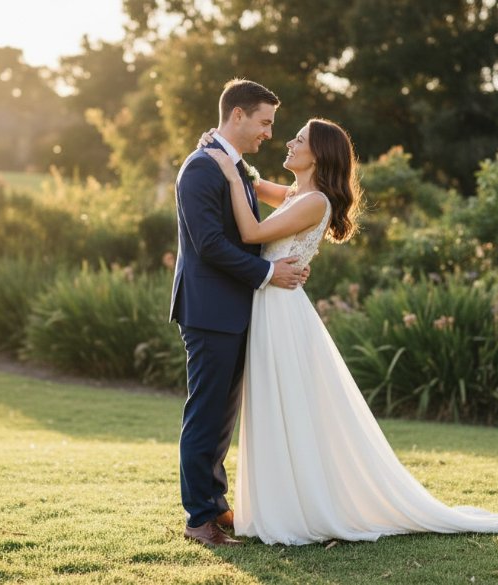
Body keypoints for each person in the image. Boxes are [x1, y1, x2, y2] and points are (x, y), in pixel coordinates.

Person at [202, 117, 498, 546]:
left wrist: (226, 172)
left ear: (318, 154)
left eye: (299, 139)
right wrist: (234, 161)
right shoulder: (299, 193)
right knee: (275, 402)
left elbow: (252, 231)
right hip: (272, 303)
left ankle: (302, 506)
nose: (289, 142)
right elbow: (257, 188)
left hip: (280, 309)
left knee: (288, 403)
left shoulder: (314, 201)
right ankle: (281, 500)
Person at [168, 79, 308, 547]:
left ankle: (216, 505)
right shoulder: (201, 169)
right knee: (206, 414)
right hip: (209, 310)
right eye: (265, 122)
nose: (269, 132)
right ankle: (198, 519)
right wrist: (268, 273)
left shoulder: (232, 166)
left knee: (222, 416)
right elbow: (209, 245)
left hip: (230, 309)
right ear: (238, 116)